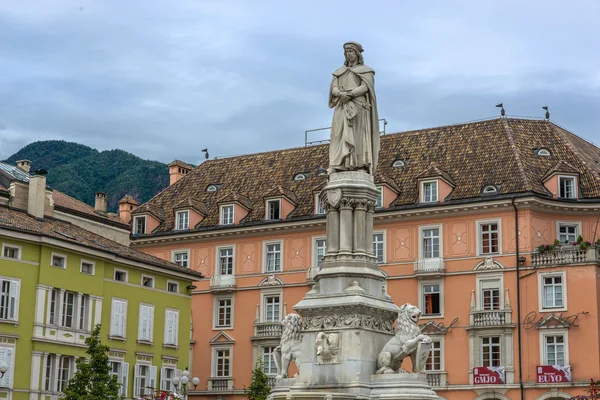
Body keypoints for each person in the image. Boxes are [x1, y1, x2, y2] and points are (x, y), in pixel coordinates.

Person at [328, 42, 380, 176]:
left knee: (358, 135)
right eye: (347, 52)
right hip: (342, 106)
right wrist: (340, 94)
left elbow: (365, 87)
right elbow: (333, 87)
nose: (349, 54)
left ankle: (358, 164)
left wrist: (351, 94)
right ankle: (339, 163)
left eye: (351, 52)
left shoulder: (366, 71)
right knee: (338, 134)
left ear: (357, 54)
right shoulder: (339, 72)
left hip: (358, 106)